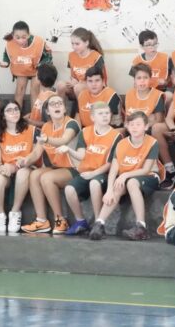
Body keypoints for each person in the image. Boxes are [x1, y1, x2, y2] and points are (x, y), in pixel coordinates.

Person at [89, 111, 162, 241]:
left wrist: (125, 175)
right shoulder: (121, 144)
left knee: (131, 182)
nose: (134, 127)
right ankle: (99, 223)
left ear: (146, 127)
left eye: (138, 124)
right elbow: (113, 170)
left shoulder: (152, 142)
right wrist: (109, 190)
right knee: (117, 187)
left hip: (149, 176)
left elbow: (146, 169)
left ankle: (141, 227)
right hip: (127, 177)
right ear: (127, 126)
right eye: (131, 124)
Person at [20, 94, 81, 234]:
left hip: (75, 168)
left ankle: (60, 220)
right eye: (53, 104)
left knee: (47, 178)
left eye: (60, 103)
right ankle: (41, 220)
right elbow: (36, 153)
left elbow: (64, 140)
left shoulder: (71, 123)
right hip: (57, 168)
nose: (57, 105)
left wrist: (47, 139)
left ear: (65, 109)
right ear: (47, 111)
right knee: (34, 174)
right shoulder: (46, 127)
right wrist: (24, 161)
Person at [64, 102, 122, 236]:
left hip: (103, 173)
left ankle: (98, 223)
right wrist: (68, 150)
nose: (105, 116)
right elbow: (81, 155)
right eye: (100, 114)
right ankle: (80, 221)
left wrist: (94, 173)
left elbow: (111, 163)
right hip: (86, 172)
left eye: (107, 113)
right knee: (69, 189)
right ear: (92, 117)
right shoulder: (85, 132)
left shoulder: (116, 136)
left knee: (94, 183)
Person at [0, 101, 42, 234]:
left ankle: (15, 212)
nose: (14, 112)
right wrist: (3, 168)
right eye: (9, 110)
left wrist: (15, 166)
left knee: (22, 173)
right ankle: (0, 215)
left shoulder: (32, 130)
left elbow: (34, 156)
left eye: (16, 109)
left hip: (27, 167)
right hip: (7, 169)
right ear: (3, 116)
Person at [0, 21, 53, 112]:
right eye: (17, 37)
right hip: (22, 68)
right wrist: (5, 63)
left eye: (24, 37)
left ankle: (35, 116)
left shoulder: (39, 42)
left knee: (34, 90)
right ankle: (16, 115)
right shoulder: (10, 43)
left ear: (28, 34)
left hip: (37, 68)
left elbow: (48, 56)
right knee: (20, 89)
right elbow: (7, 55)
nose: (21, 40)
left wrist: (41, 65)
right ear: (13, 35)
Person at [60, 27, 105, 100]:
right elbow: (73, 75)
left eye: (77, 44)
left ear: (86, 43)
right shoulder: (71, 55)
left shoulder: (96, 56)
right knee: (61, 85)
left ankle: (82, 106)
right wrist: (74, 81)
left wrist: (81, 83)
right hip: (77, 85)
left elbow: (99, 80)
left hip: (93, 85)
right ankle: (60, 106)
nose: (74, 47)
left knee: (78, 87)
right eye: (72, 43)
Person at [131, 29, 173, 94]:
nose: (153, 47)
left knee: (167, 95)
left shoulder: (167, 58)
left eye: (155, 44)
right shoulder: (136, 61)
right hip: (145, 90)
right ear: (141, 46)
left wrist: (166, 82)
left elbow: (174, 78)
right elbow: (135, 82)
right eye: (148, 45)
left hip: (163, 89)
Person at [27, 63, 57, 128]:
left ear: (39, 80)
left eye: (36, 75)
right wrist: (27, 117)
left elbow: (50, 124)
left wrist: (30, 122)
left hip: (41, 131)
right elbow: (37, 111)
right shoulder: (42, 94)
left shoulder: (50, 99)